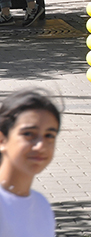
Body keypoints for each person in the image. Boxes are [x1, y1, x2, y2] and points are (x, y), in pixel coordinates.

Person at [0, 89, 61, 237]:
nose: (41, 145)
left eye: (49, 135)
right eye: (28, 134)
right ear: (2, 140)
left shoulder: (41, 205)